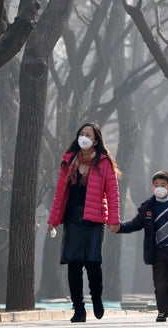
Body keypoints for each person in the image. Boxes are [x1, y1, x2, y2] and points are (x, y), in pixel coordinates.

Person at [47, 122, 121, 323]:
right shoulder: (69, 161)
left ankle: (97, 299)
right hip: (72, 219)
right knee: (74, 264)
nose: (84, 137)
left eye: (88, 134)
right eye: (81, 133)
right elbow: (60, 193)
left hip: (95, 220)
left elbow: (113, 194)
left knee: (93, 263)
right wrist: (53, 219)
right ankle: (78, 309)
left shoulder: (104, 163)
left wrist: (114, 219)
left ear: (96, 140)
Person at [116, 170, 168, 322]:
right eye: (156, 185)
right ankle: (162, 311)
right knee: (159, 283)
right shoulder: (148, 208)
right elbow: (135, 224)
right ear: (152, 188)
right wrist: (118, 227)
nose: (159, 188)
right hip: (157, 250)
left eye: (163, 185)